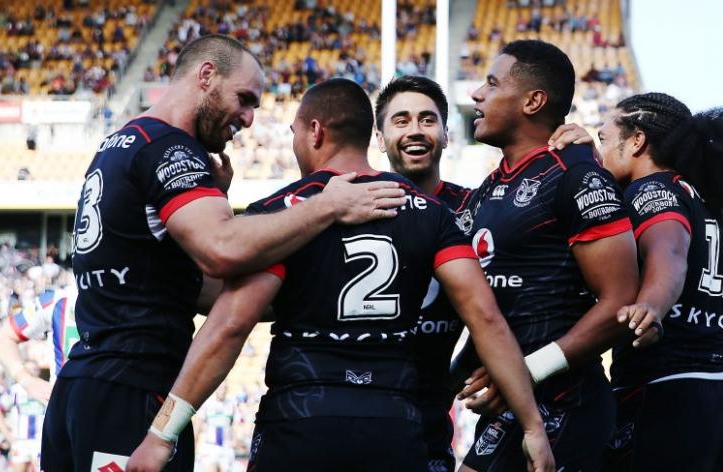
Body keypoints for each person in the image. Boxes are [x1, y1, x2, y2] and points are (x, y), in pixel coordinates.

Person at [126, 78, 554, 472]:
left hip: (300, 422)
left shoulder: (284, 214)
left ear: (314, 132)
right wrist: (533, 427)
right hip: (394, 424)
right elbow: (486, 319)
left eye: (294, 135)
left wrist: (162, 434)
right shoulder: (434, 215)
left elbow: (230, 324)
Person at [41, 35, 405, 471]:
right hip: (131, 390)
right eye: (245, 99)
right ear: (207, 75)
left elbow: (193, 286)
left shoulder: (122, 142)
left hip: (85, 385)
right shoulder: (171, 148)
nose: (249, 119)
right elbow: (222, 251)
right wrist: (327, 205)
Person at [566, 92, 723, 472]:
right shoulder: (718, 215)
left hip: (662, 398)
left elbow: (670, 253)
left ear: (636, 141)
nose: (599, 152)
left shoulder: (651, 191)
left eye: (602, 139)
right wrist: (709, 389)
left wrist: (652, 305)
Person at [455, 39, 639, 472]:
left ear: (533, 101)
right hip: (512, 403)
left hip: (564, 403)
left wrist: (527, 371)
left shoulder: (576, 176)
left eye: (492, 83)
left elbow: (620, 303)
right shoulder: (487, 189)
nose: (476, 94)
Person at [374, 75, 471, 472]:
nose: (415, 130)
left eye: (427, 120)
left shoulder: (476, 209)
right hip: (360, 410)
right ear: (379, 138)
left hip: (430, 421)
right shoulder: (355, 202)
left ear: (446, 135)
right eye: (401, 121)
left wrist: (579, 153)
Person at [0, 288, 77, 471]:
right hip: (60, 430)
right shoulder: (58, 299)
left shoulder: (139, 293)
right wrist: (25, 379)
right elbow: (1, 339)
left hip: (115, 421)